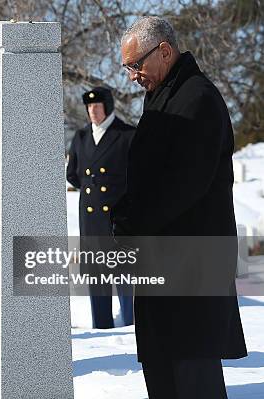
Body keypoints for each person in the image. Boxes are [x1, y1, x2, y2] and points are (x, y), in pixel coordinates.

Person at [113, 16, 247, 398]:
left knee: (193, 381)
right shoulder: (166, 97)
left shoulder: (197, 98)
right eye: (128, 68)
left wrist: (131, 220)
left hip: (191, 274)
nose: (133, 75)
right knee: (164, 377)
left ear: (165, 51)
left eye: (136, 64)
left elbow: (184, 183)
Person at [66, 87, 135, 329]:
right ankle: (102, 330)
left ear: (108, 107)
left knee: (125, 280)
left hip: (120, 221)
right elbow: (73, 175)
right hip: (92, 222)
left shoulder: (127, 135)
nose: (92, 112)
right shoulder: (81, 137)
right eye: (89, 107)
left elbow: (138, 178)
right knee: (98, 281)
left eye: (97, 107)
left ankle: (130, 328)